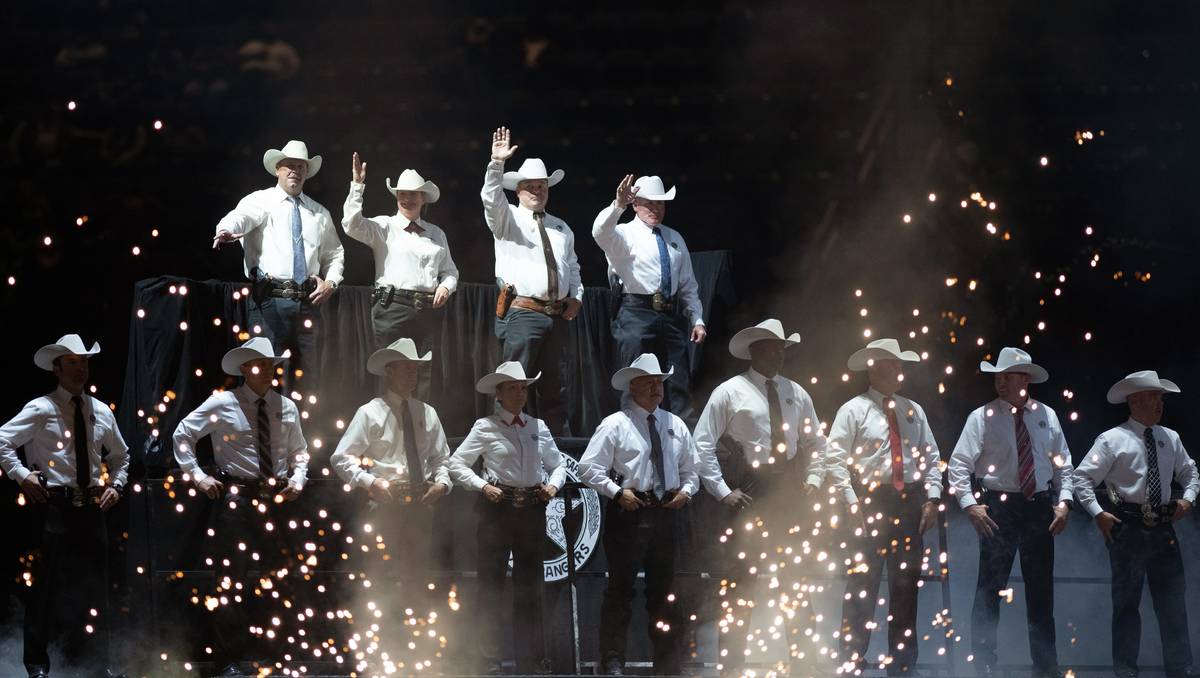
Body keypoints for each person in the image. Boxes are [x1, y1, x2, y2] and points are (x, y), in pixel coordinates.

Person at [692, 319, 841, 676]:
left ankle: (803, 662)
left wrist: (814, 479)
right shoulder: (730, 391)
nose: (779, 354)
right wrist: (724, 491)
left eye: (782, 348)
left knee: (796, 575)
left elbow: (817, 444)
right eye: (773, 347)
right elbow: (702, 444)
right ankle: (731, 665)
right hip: (750, 486)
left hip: (789, 489)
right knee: (741, 579)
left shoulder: (796, 392)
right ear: (755, 350)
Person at [172, 337, 309, 677]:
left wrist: (298, 479)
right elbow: (183, 434)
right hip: (237, 499)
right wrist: (199, 477)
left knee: (279, 579)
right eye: (260, 365)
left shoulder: (286, 406)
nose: (268, 371)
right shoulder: (223, 402)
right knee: (231, 581)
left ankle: (274, 656)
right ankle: (228, 661)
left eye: (271, 365)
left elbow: (300, 452)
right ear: (246, 369)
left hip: (276, 500)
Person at [0, 334, 129, 678]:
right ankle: (37, 665)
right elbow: (3, 440)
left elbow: (121, 455)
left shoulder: (99, 409)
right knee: (44, 589)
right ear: (57, 369)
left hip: (91, 508)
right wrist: (22, 475)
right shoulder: (41, 407)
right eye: (72, 362)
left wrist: (116, 484)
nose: (80, 368)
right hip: (54, 506)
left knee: (96, 589)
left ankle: (97, 662)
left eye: (84, 361)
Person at [947, 347, 1073, 678]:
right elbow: (958, 465)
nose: (1000, 382)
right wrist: (969, 504)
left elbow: (1064, 465)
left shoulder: (1047, 414)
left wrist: (1064, 502)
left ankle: (1046, 669)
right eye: (997, 377)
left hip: (1039, 507)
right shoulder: (981, 417)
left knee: (1041, 595)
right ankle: (985, 668)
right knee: (989, 590)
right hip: (999, 507)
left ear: (1025, 378)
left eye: (1007, 376)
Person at [828, 338, 943, 676]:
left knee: (906, 585)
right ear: (874, 368)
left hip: (907, 500)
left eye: (898, 364)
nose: (897, 370)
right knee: (862, 585)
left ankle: (903, 663)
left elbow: (931, 457)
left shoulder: (912, 410)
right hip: (869, 499)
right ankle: (851, 659)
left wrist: (932, 497)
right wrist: (851, 503)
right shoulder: (853, 409)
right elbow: (835, 460)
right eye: (891, 364)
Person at [579, 354, 698, 676]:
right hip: (630, 512)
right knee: (621, 589)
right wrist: (617, 492)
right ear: (633, 387)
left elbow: (691, 470)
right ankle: (613, 660)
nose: (656, 388)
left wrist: (686, 491)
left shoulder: (674, 424)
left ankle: (668, 663)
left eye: (659, 382)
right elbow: (588, 468)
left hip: (666, 512)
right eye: (648, 382)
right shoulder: (615, 424)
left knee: (664, 591)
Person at [1074, 370, 1198, 678]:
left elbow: (1191, 473)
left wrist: (1188, 500)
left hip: (1163, 526)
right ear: (1135, 400)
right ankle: (1126, 672)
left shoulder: (1170, 438)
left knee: (1172, 605)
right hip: (1127, 525)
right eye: (1154, 397)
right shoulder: (1112, 439)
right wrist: (1098, 513)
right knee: (1127, 606)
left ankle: (1180, 670)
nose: (1160, 404)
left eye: (1160, 398)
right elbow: (1081, 479)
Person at [448, 361, 566, 674]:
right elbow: (456, 464)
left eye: (522, 387)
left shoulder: (537, 427)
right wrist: (482, 486)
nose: (519, 393)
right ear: (498, 394)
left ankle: (531, 660)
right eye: (512, 388)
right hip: (496, 511)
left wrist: (553, 486)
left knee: (530, 588)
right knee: (490, 587)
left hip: (531, 510)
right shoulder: (485, 426)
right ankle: (488, 660)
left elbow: (558, 465)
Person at [213, 140, 345, 396]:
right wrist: (226, 230)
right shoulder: (261, 201)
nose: (295, 170)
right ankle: (261, 433)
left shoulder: (319, 213)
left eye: (300, 166)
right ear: (277, 169)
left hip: (308, 303)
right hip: (270, 301)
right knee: (261, 374)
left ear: (307, 172)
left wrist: (331, 282)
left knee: (310, 378)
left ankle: (302, 433)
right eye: (289, 166)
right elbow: (240, 217)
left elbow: (335, 254)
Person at [481, 126, 582, 435]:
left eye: (542, 186)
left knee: (556, 391)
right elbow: (490, 199)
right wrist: (496, 164)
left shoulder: (560, 226)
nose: (537, 191)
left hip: (556, 316)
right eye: (530, 187)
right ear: (519, 190)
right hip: (522, 313)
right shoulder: (508, 218)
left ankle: (557, 459)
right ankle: (505, 453)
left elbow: (573, 267)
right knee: (513, 385)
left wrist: (576, 297)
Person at [329, 338, 452, 583]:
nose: (412, 374)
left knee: (417, 573)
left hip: (421, 499)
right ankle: (379, 618)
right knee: (378, 571)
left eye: (415, 368)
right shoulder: (370, 412)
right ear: (389, 371)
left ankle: (414, 618)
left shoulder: (427, 412)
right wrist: (370, 482)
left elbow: (441, 458)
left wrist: (443, 484)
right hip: (386, 500)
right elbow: (341, 457)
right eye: (405, 367)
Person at [343, 154, 458, 399]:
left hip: (427, 310)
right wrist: (357, 187)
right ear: (396, 197)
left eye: (413, 194)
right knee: (389, 371)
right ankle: (387, 433)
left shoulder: (436, 234)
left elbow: (450, 272)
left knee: (423, 375)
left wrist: (446, 287)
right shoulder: (384, 226)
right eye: (402, 194)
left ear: (423, 198)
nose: (407, 199)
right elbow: (351, 225)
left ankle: (418, 430)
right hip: (392, 307)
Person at [593, 174, 706, 418]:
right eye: (649, 203)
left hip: (671, 314)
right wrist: (617, 206)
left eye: (660, 204)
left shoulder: (674, 238)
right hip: (636, 312)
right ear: (636, 205)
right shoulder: (623, 233)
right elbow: (599, 232)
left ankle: (681, 438)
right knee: (636, 377)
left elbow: (688, 284)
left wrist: (696, 318)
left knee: (679, 381)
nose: (655, 209)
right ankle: (633, 437)